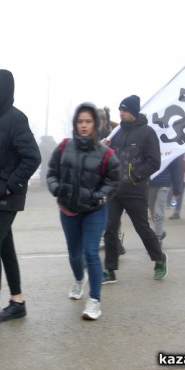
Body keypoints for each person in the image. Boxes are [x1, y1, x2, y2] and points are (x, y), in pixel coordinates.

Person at [0, 69, 41, 324]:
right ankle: (18, 302)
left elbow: (33, 157)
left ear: (3, 90)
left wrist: (10, 185)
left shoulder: (15, 119)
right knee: (5, 248)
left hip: (6, 196)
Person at [46, 102, 120, 320]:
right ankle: (79, 279)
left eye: (88, 122)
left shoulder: (106, 153)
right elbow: (51, 172)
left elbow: (114, 180)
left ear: (96, 124)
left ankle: (95, 300)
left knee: (91, 253)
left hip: (94, 211)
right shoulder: (63, 147)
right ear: (75, 124)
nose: (84, 126)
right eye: (80, 121)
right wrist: (57, 189)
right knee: (74, 254)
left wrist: (98, 197)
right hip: (68, 210)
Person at [102, 95, 168, 283]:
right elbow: (110, 159)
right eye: (120, 110)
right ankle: (110, 269)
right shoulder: (117, 133)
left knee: (142, 228)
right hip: (115, 189)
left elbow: (154, 162)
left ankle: (159, 259)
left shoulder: (147, 133)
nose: (121, 113)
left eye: (124, 110)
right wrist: (105, 149)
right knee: (110, 228)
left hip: (135, 189)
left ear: (133, 111)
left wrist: (134, 175)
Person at [148, 156, 183, 244]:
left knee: (158, 211)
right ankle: (160, 231)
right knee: (153, 211)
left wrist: (177, 187)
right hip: (150, 183)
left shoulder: (171, 147)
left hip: (164, 184)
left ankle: (158, 238)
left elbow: (176, 168)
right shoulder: (149, 145)